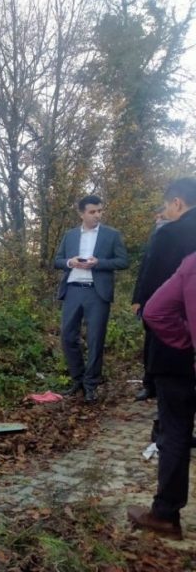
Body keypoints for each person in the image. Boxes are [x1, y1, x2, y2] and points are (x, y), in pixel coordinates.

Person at [125, 177, 196, 540]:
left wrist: (180, 342)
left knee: (175, 432)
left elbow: (155, 304)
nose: (164, 212)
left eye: (167, 206)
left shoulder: (169, 237)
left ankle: (166, 514)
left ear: (178, 205)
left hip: (177, 356)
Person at [54, 195, 129, 404]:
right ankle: (78, 379)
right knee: (68, 337)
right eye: (92, 212)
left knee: (96, 339)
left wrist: (99, 263)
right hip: (73, 290)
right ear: (81, 213)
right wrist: (71, 262)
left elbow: (123, 261)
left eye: (99, 211)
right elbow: (57, 260)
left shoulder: (111, 235)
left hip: (97, 292)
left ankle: (91, 384)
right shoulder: (70, 235)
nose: (97, 215)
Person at [130, 206, 170, 401]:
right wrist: (137, 298)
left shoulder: (182, 238)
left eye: (162, 213)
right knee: (150, 344)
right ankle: (149, 384)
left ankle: (167, 385)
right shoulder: (154, 238)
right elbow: (144, 271)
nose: (158, 217)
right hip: (151, 301)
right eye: (156, 214)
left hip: (173, 300)